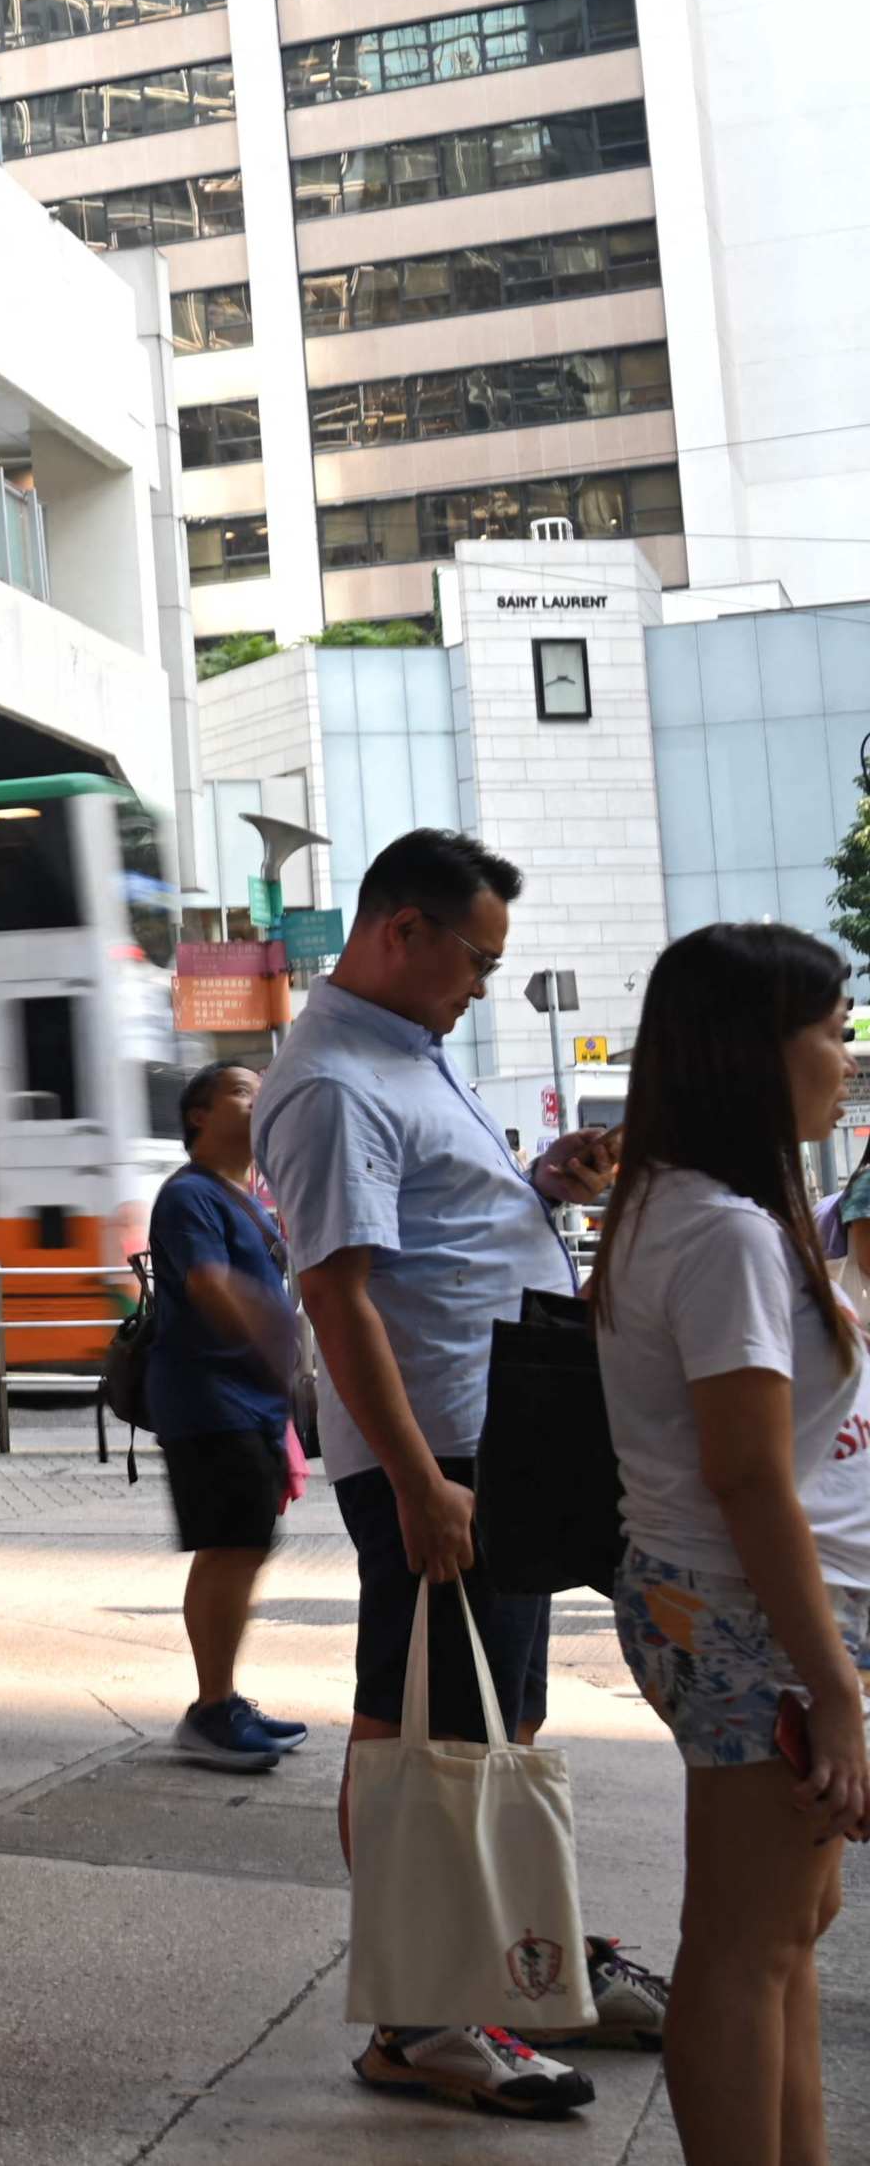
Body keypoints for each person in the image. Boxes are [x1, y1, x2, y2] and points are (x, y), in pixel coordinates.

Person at [253, 826, 668, 2118]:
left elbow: (428, 1237)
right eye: (475, 959)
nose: (484, 982)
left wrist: (538, 1183)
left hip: (493, 1446)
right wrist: (423, 1483)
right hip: (437, 1456)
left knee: (496, 1719)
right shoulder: (331, 1081)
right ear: (401, 931)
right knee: (418, 1731)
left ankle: (509, 1955)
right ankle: (421, 2017)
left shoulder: (402, 1053)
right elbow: (337, 1293)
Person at [592, 921, 870, 2166]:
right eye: (829, 1027)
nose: (846, 1055)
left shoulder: (687, 1201)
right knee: (749, 1945)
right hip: (747, 1618)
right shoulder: (725, 1233)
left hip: (724, 1604)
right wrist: (837, 1686)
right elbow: (748, 1475)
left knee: (789, 1927)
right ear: (751, 1052)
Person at [144, 1061, 308, 1771]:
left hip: (250, 1404)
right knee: (228, 1548)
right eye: (243, 1089)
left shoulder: (249, 1198)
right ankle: (211, 1708)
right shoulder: (189, 1195)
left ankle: (224, 1697)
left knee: (244, 1546)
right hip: (210, 1401)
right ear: (199, 1117)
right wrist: (280, 1340)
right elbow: (208, 1282)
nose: (259, 1095)